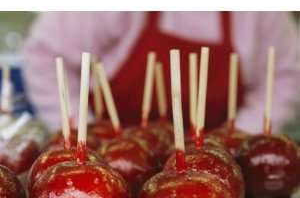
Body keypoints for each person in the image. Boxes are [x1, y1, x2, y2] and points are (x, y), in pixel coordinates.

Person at [22, 11, 300, 132]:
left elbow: (284, 74)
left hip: (218, 173)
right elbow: (46, 53)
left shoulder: (262, 9)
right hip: (109, 159)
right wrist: (80, 131)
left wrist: (241, 138)